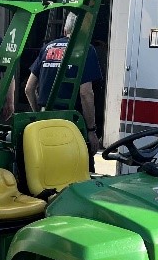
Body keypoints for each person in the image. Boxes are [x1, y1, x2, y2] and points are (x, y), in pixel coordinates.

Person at [24, 12, 102, 170]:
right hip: (72, 125)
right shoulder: (86, 49)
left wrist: (39, 114)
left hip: (46, 123)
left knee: (50, 172)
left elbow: (29, 88)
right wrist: (91, 130)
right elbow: (86, 94)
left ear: (65, 30)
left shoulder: (48, 47)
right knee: (79, 174)